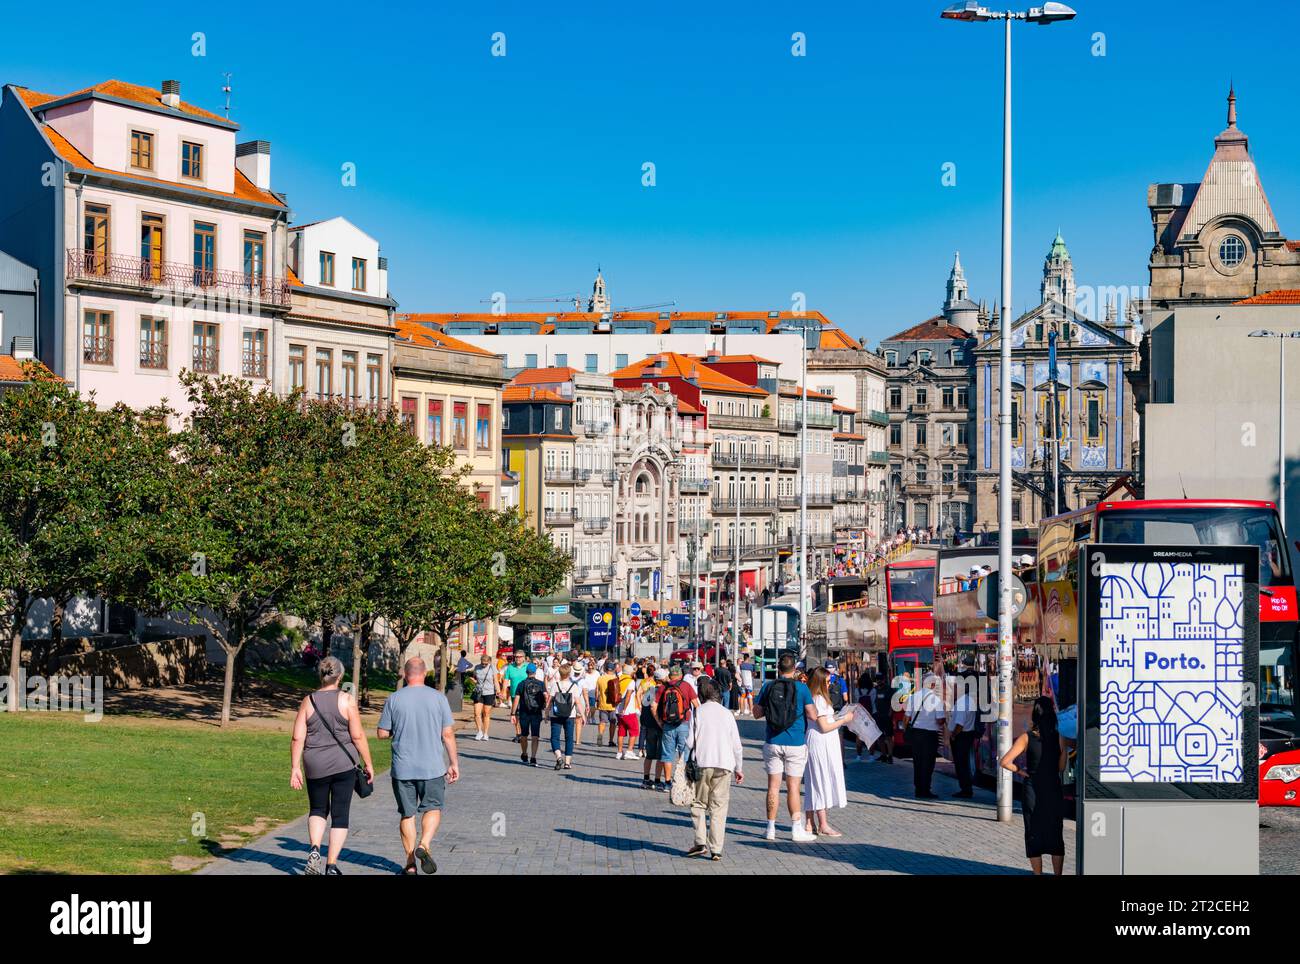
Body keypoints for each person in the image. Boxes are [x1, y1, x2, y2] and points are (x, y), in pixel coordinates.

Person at [290, 656, 375, 875]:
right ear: (340, 676)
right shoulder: (347, 700)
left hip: (314, 763)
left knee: (317, 808)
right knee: (340, 813)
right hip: (343, 764)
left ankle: (315, 849)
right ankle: (331, 865)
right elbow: (356, 735)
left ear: (321, 675)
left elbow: (298, 737)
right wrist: (368, 762)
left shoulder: (308, 701)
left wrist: (295, 767)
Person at [376, 657, 459, 876]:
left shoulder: (394, 699)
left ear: (405, 673)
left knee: (407, 814)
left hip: (403, 767)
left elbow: (382, 733)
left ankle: (411, 863)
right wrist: (453, 762)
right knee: (433, 807)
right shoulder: (438, 698)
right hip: (432, 766)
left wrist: (398, 730)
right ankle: (425, 844)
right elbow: (448, 734)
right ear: (424, 673)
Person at [753, 652, 818, 842]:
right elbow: (813, 715)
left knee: (772, 787)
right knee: (793, 787)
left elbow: (757, 713)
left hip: (773, 741)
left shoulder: (768, 687)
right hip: (796, 743)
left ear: (778, 669)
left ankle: (770, 828)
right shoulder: (802, 689)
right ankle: (796, 829)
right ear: (794, 669)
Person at [1001, 696, 1066, 874]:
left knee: (1033, 831)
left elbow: (1005, 761)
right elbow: (1061, 767)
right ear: (1052, 714)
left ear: (1034, 715)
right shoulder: (1059, 737)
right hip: (1052, 788)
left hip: (1032, 789)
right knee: (1055, 832)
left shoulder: (1026, 738)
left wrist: (1020, 771)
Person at [685, 677, 744, 860]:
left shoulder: (698, 712)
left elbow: (689, 742)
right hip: (725, 764)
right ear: (719, 695)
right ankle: (716, 849)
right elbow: (737, 745)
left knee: (699, 803)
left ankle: (700, 842)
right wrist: (739, 768)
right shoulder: (727, 714)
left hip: (702, 763)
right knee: (719, 808)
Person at [802, 667, 851, 836]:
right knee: (820, 780)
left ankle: (810, 822)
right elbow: (824, 727)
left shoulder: (815, 697)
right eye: (828, 681)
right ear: (820, 681)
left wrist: (837, 718)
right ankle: (823, 824)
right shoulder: (819, 699)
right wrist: (844, 720)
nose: (830, 684)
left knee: (813, 780)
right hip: (821, 742)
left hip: (817, 740)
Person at [906, 659, 947, 799]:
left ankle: (918, 789)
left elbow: (906, 718)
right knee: (928, 763)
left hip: (916, 734)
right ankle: (925, 789)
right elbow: (940, 720)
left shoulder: (913, 697)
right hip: (930, 736)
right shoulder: (936, 700)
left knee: (917, 762)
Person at [654, 664, 699, 788]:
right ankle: (682, 781)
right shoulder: (686, 686)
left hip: (667, 725)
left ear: (670, 675)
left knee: (667, 755)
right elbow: (696, 705)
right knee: (684, 753)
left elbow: (653, 706)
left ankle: (667, 783)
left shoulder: (663, 687)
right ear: (680, 675)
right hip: (684, 723)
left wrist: (660, 722)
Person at [949, 659, 979, 798]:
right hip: (969, 734)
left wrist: (954, 735)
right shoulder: (969, 700)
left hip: (962, 736)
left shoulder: (962, 702)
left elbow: (960, 724)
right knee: (964, 763)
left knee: (961, 764)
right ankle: (966, 788)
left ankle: (965, 789)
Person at [547, 663, 582, 770]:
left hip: (556, 714)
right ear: (569, 673)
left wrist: (546, 713)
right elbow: (577, 702)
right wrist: (583, 715)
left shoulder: (555, 685)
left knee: (554, 737)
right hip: (570, 715)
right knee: (569, 738)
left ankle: (558, 757)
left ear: (560, 673)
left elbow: (550, 700)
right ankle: (567, 763)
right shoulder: (574, 686)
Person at [512, 663, 548, 767]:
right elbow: (546, 696)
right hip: (536, 713)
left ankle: (524, 753)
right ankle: (533, 757)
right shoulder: (541, 684)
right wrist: (546, 709)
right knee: (535, 736)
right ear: (535, 672)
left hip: (524, 713)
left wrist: (513, 713)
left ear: (526, 672)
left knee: (524, 735)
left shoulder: (521, 684)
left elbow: (516, 699)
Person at [640, 667, 668, 790]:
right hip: (660, 726)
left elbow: (644, 707)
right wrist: (660, 722)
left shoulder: (650, 690)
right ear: (663, 679)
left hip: (649, 726)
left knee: (649, 755)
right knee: (661, 755)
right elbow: (653, 708)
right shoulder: (664, 690)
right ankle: (657, 780)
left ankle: (646, 779)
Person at [502, 649, 531, 744]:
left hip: (527, 695)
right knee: (516, 715)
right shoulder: (510, 667)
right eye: (516, 656)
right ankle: (518, 734)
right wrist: (503, 691)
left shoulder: (528, 666)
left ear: (523, 658)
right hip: (515, 695)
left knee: (525, 715)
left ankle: (524, 732)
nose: (517, 658)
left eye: (519, 657)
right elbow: (506, 680)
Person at [614, 662, 641, 760]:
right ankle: (629, 751)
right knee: (634, 730)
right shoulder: (631, 681)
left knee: (621, 731)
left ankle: (619, 752)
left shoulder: (618, 679)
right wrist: (624, 709)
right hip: (628, 710)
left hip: (617, 709)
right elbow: (628, 696)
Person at [471, 652, 498, 741]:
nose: (484, 665)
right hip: (479, 692)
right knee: (476, 713)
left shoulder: (492, 668)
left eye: (485, 664)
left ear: (489, 662)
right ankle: (479, 731)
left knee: (486, 713)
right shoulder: (477, 668)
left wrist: (498, 691)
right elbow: (475, 678)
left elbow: (496, 681)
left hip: (489, 692)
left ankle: (486, 733)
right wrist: (474, 681)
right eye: (482, 663)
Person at [596, 661, 619, 748]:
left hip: (602, 704)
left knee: (602, 722)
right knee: (613, 722)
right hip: (613, 705)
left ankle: (600, 736)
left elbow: (596, 691)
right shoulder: (616, 678)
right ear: (613, 669)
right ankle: (611, 741)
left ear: (605, 669)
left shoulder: (600, 678)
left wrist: (597, 700)